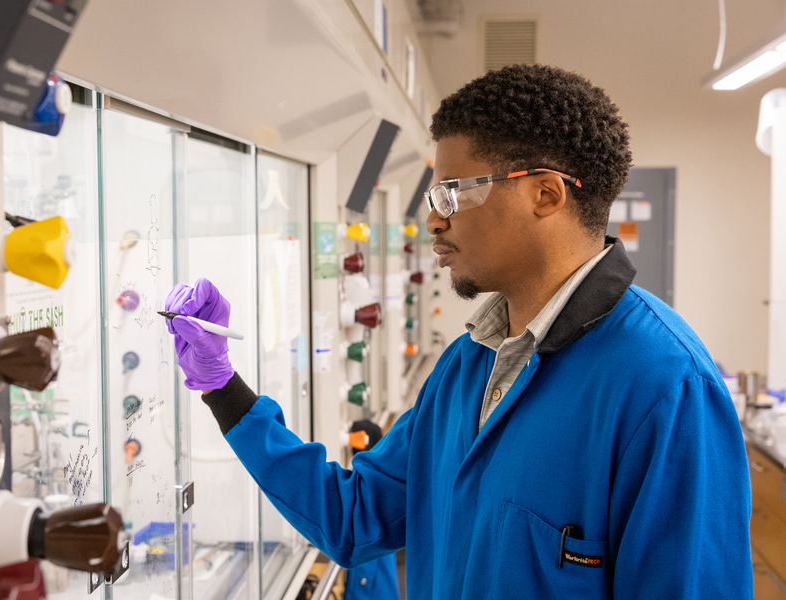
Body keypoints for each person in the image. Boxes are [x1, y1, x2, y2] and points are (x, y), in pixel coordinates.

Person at [165, 64, 752, 599]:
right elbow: (354, 519)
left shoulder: (665, 386)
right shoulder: (469, 364)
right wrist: (223, 386)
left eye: (452, 192)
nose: (434, 219)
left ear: (544, 194)